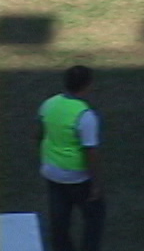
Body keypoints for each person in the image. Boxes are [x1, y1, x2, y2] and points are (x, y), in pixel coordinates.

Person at [38, 65, 105, 251]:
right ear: (87, 85)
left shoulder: (48, 104)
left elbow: (38, 134)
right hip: (77, 177)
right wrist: (96, 184)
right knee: (94, 217)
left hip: (52, 173)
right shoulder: (85, 115)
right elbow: (91, 152)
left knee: (59, 221)